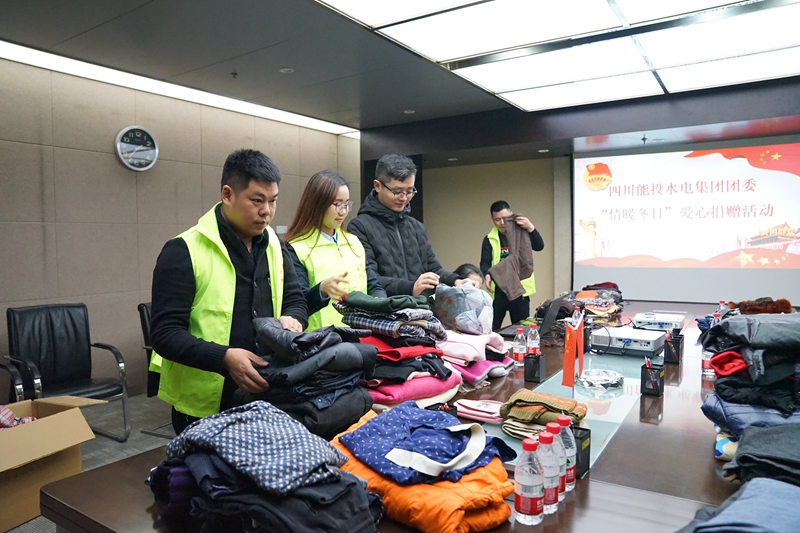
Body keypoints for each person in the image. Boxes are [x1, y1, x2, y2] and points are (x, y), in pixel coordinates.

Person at [150, 149, 309, 434]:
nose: (267, 211)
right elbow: (164, 334)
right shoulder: (183, 250)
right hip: (204, 406)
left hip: (267, 393)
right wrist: (224, 357)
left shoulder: (274, 243)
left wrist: (293, 319)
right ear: (227, 194)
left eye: (273, 201)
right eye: (257, 200)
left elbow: (295, 299)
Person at [348, 154, 479, 296]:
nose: (404, 198)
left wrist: (457, 281)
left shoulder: (417, 227)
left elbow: (433, 269)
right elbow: (369, 278)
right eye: (397, 192)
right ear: (377, 186)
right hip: (385, 307)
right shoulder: (359, 227)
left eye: (409, 191)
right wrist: (411, 287)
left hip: (420, 307)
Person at [285, 171, 386, 330]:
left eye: (347, 204)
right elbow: (296, 305)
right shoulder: (297, 248)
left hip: (360, 335)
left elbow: (373, 285)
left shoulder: (353, 242)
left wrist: (379, 302)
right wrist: (321, 290)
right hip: (322, 339)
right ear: (317, 204)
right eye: (337, 204)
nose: (343, 211)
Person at [480, 200, 545, 330]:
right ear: (492, 219)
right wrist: (487, 274)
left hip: (520, 289)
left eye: (505, 218)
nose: (502, 223)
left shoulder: (522, 232)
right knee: (491, 328)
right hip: (499, 289)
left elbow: (539, 246)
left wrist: (531, 228)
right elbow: (485, 261)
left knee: (521, 328)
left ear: (511, 214)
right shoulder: (490, 238)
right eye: (497, 219)